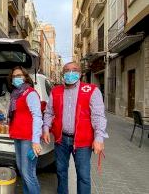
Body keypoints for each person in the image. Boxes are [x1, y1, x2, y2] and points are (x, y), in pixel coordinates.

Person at [42, 62, 108, 194]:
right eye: (67, 70)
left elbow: (98, 116)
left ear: (80, 73)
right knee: (61, 172)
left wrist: (99, 138)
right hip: (61, 140)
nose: (70, 73)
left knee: (83, 176)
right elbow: (49, 112)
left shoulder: (91, 90)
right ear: (63, 74)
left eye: (74, 70)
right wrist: (45, 128)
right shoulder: (56, 91)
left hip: (83, 142)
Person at [8, 66, 43, 194]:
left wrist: (35, 141)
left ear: (25, 77)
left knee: (28, 173)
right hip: (18, 136)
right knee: (22, 170)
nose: (16, 78)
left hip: (28, 138)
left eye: (19, 75)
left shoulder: (30, 93)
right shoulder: (15, 94)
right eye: (14, 76)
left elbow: (37, 116)